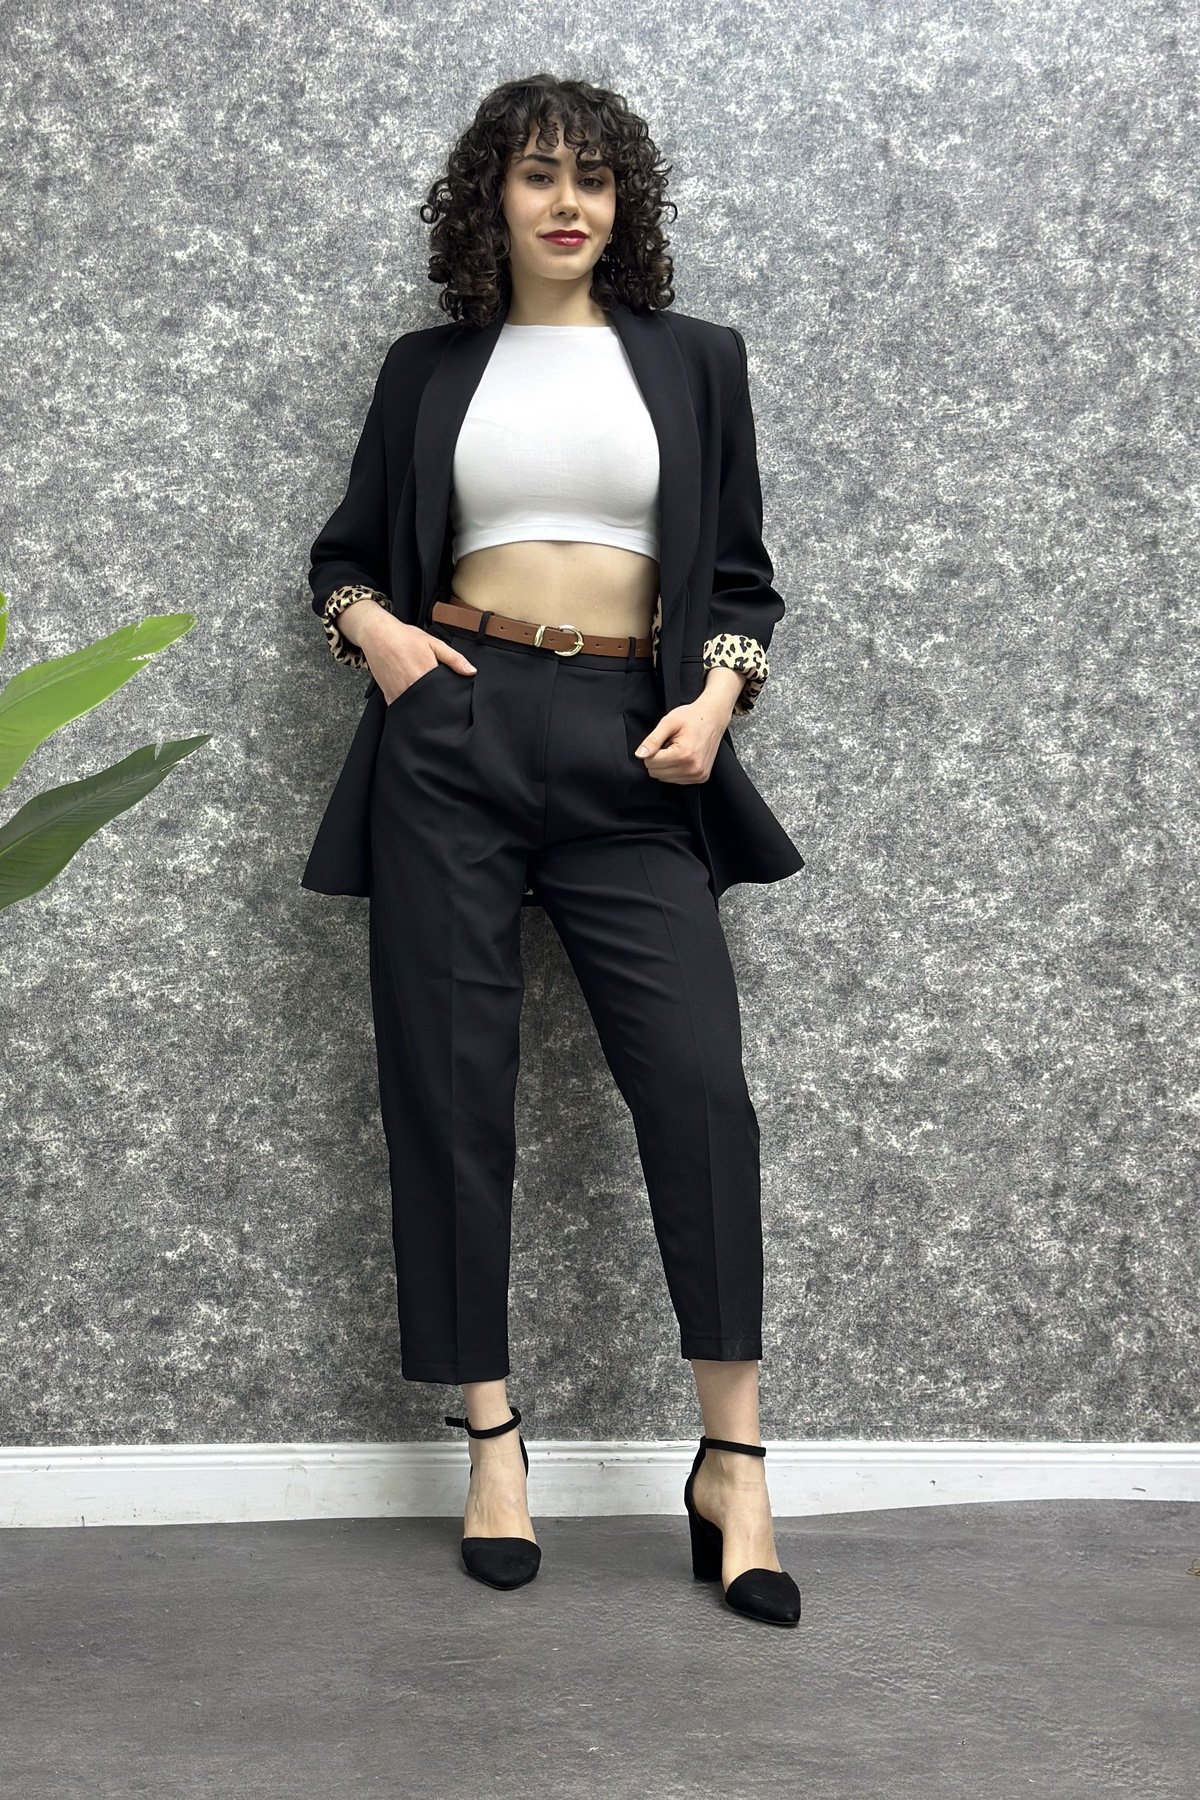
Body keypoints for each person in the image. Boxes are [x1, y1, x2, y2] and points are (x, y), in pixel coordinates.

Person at [303, 75, 802, 1627]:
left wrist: (716, 696)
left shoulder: (697, 362)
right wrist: (381, 635)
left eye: (592, 177)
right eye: (537, 176)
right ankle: (492, 1443)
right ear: (494, 200)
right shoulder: (429, 369)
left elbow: (740, 578)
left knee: (700, 1090)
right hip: (452, 725)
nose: (567, 201)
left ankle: (735, 1466)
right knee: (452, 1088)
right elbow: (341, 558)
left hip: (635, 738)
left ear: (622, 201)